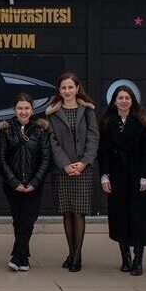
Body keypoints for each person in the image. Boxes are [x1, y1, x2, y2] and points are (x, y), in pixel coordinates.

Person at [99, 85, 146, 276]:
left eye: (127, 98)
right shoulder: (108, 122)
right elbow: (104, 151)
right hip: (116, 175)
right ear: (114, 101)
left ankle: (138, 259)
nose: (123, 101)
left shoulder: (141, 122)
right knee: (120, 215)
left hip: (137, 175)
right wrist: (104, 175)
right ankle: (125, 258)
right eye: (120, 98)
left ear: (132, 101)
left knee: (138, 216)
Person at [46, 72, 99, 273]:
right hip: (63, 170)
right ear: (59, 91)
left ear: (77, 89)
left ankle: (77, 256)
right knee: (67, 212)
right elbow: (52, 142)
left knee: (79, 212)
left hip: (83, 169)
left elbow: (94, 138)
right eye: (63, 88)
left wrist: (84, 162)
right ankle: (70, 253)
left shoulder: (87, 111)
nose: (67, 91)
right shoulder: (51, 114)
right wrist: (66, 164)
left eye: (70, 87)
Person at [0, 93, 51, 272]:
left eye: (27, 108)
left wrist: (35, 181)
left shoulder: (40, 129)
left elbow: (45, 159)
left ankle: (16, 255)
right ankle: (23, 258)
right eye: (20, 108)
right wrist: (13, 181)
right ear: (14, 109)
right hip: (13, 184)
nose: (23, 111)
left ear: (32, 110)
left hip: (34, 184)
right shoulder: (5, 129)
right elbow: (1, 158)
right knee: (18, 219)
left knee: (28, 220)